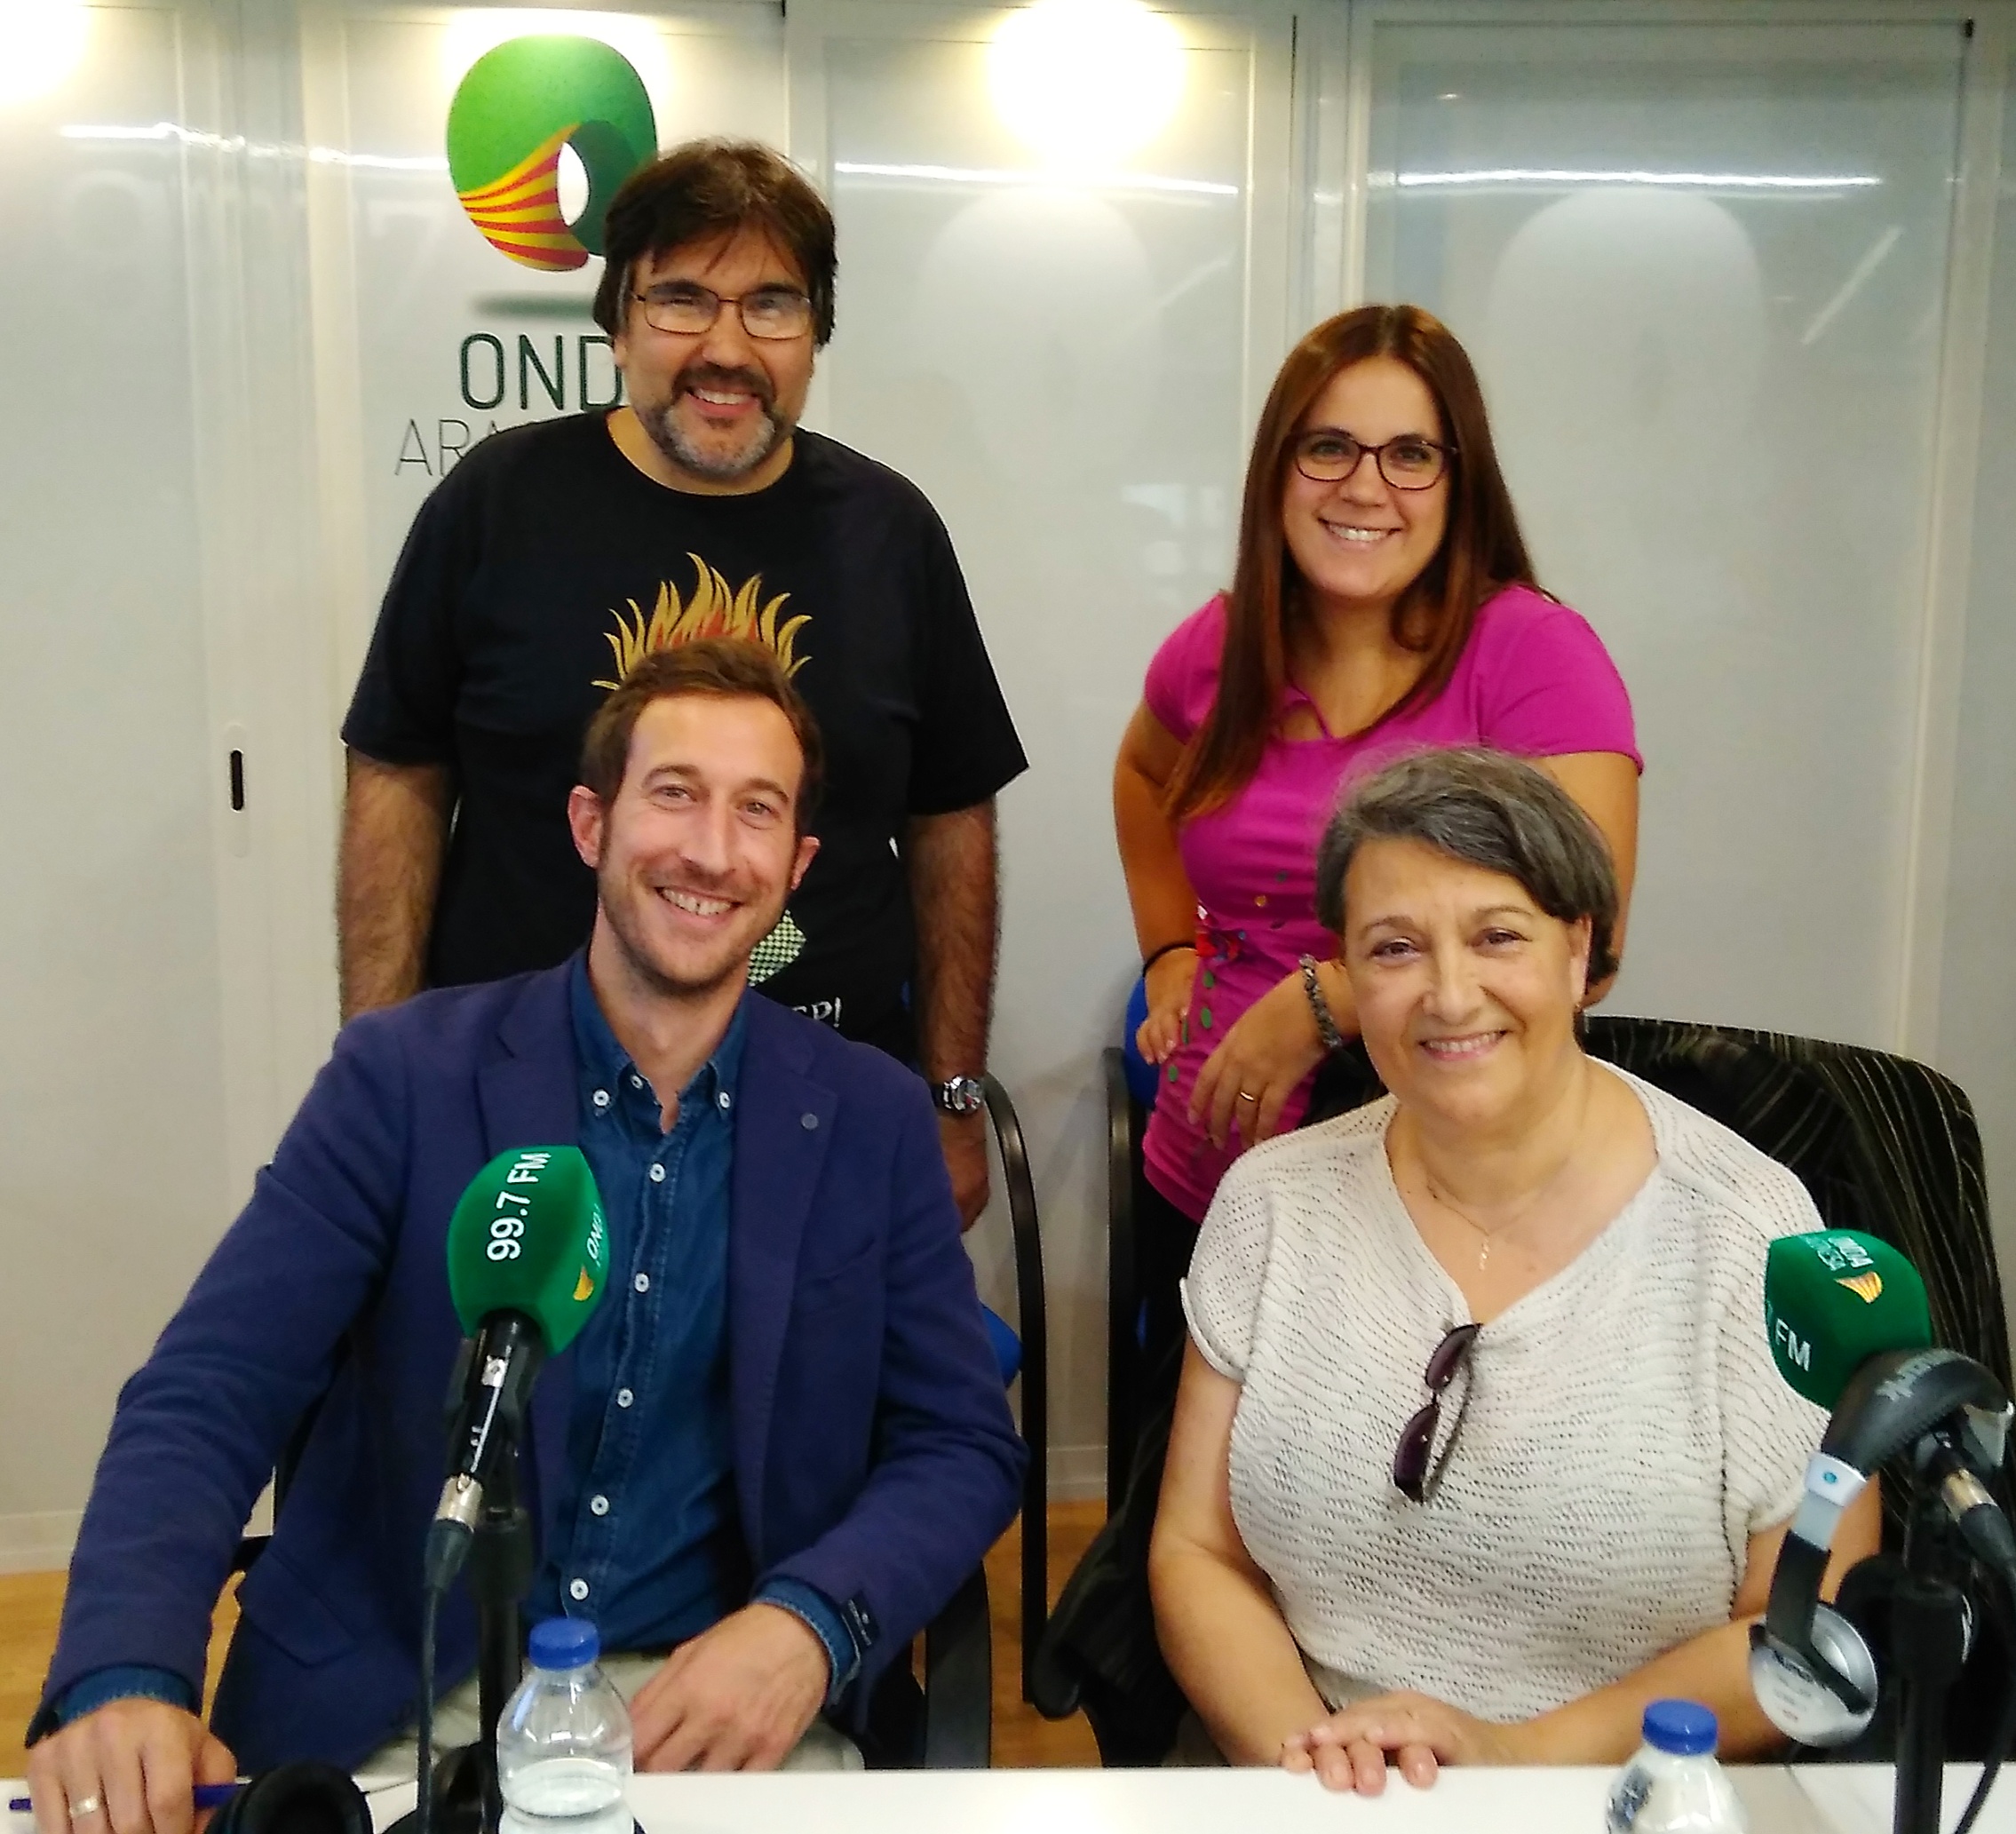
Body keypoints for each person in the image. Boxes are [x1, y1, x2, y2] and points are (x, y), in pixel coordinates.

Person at [27, 639, 1024, 1834]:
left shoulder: (870, 1118)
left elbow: (960, 1443)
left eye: (756, 810)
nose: (712, 850)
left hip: (713, 1712)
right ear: (590, 824)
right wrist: (126, 1670)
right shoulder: (403, 1078)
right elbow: (211, 1386)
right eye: (674, 793)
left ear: (797, 864)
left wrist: (807, 1625)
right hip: (399, 1698)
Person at [1148, 748, 1879, 1790]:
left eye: (1497, 936)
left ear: (1578, 949)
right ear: (1346, 973)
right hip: (1308, 1779)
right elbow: (1196, 1551)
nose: (1449, 995)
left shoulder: (1747, 1237)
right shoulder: (1272, 1202)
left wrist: (1518, 1758)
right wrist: (1322, 1771)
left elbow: (1808, 1622)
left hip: (1626, 1789)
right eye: (1394, 948)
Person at [340, 139, 1025, 1223]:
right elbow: (396, 778)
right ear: (617, 324)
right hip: (521, 1111)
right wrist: (375, 1080)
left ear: (814, 336)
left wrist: (949, 1098)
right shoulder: (498, 504)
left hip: (818, 1115)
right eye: (680, 299)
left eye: (770, 305)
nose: (726, 348)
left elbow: (950, 820)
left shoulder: (890, 534)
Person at [1112, 303, 1640, 1357]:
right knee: (1190, 1463)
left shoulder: (1532, 653)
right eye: (1328, 447)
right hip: (1205, 1174)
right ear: (1277, 470)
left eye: (1408, 454)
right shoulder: (1221, 647)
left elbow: (1587, 937)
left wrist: (1324, 1001)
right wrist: (1170, 949)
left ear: (1458, 480)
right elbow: (1140, 775)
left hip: (1437, 1198)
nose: (1364, 487)